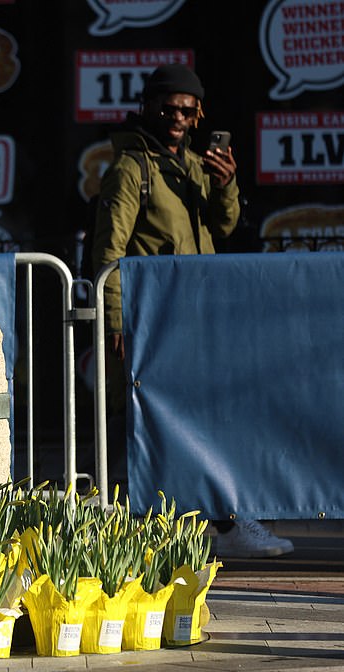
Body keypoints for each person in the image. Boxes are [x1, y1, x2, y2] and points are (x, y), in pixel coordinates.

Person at [91, 63, 293, 559]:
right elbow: (107, 252)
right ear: (148, 106)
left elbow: (223, 229)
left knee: (206, 423)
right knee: (138, 427)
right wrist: (115, 320)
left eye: (187, 109)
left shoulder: (198, 167)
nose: (178, 116)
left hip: (197, 319)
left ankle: (223, 525)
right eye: (168, 106)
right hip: (153, 321)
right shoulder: (131, 169)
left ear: (199, 113)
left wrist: (226, 185)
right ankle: (118, 527)